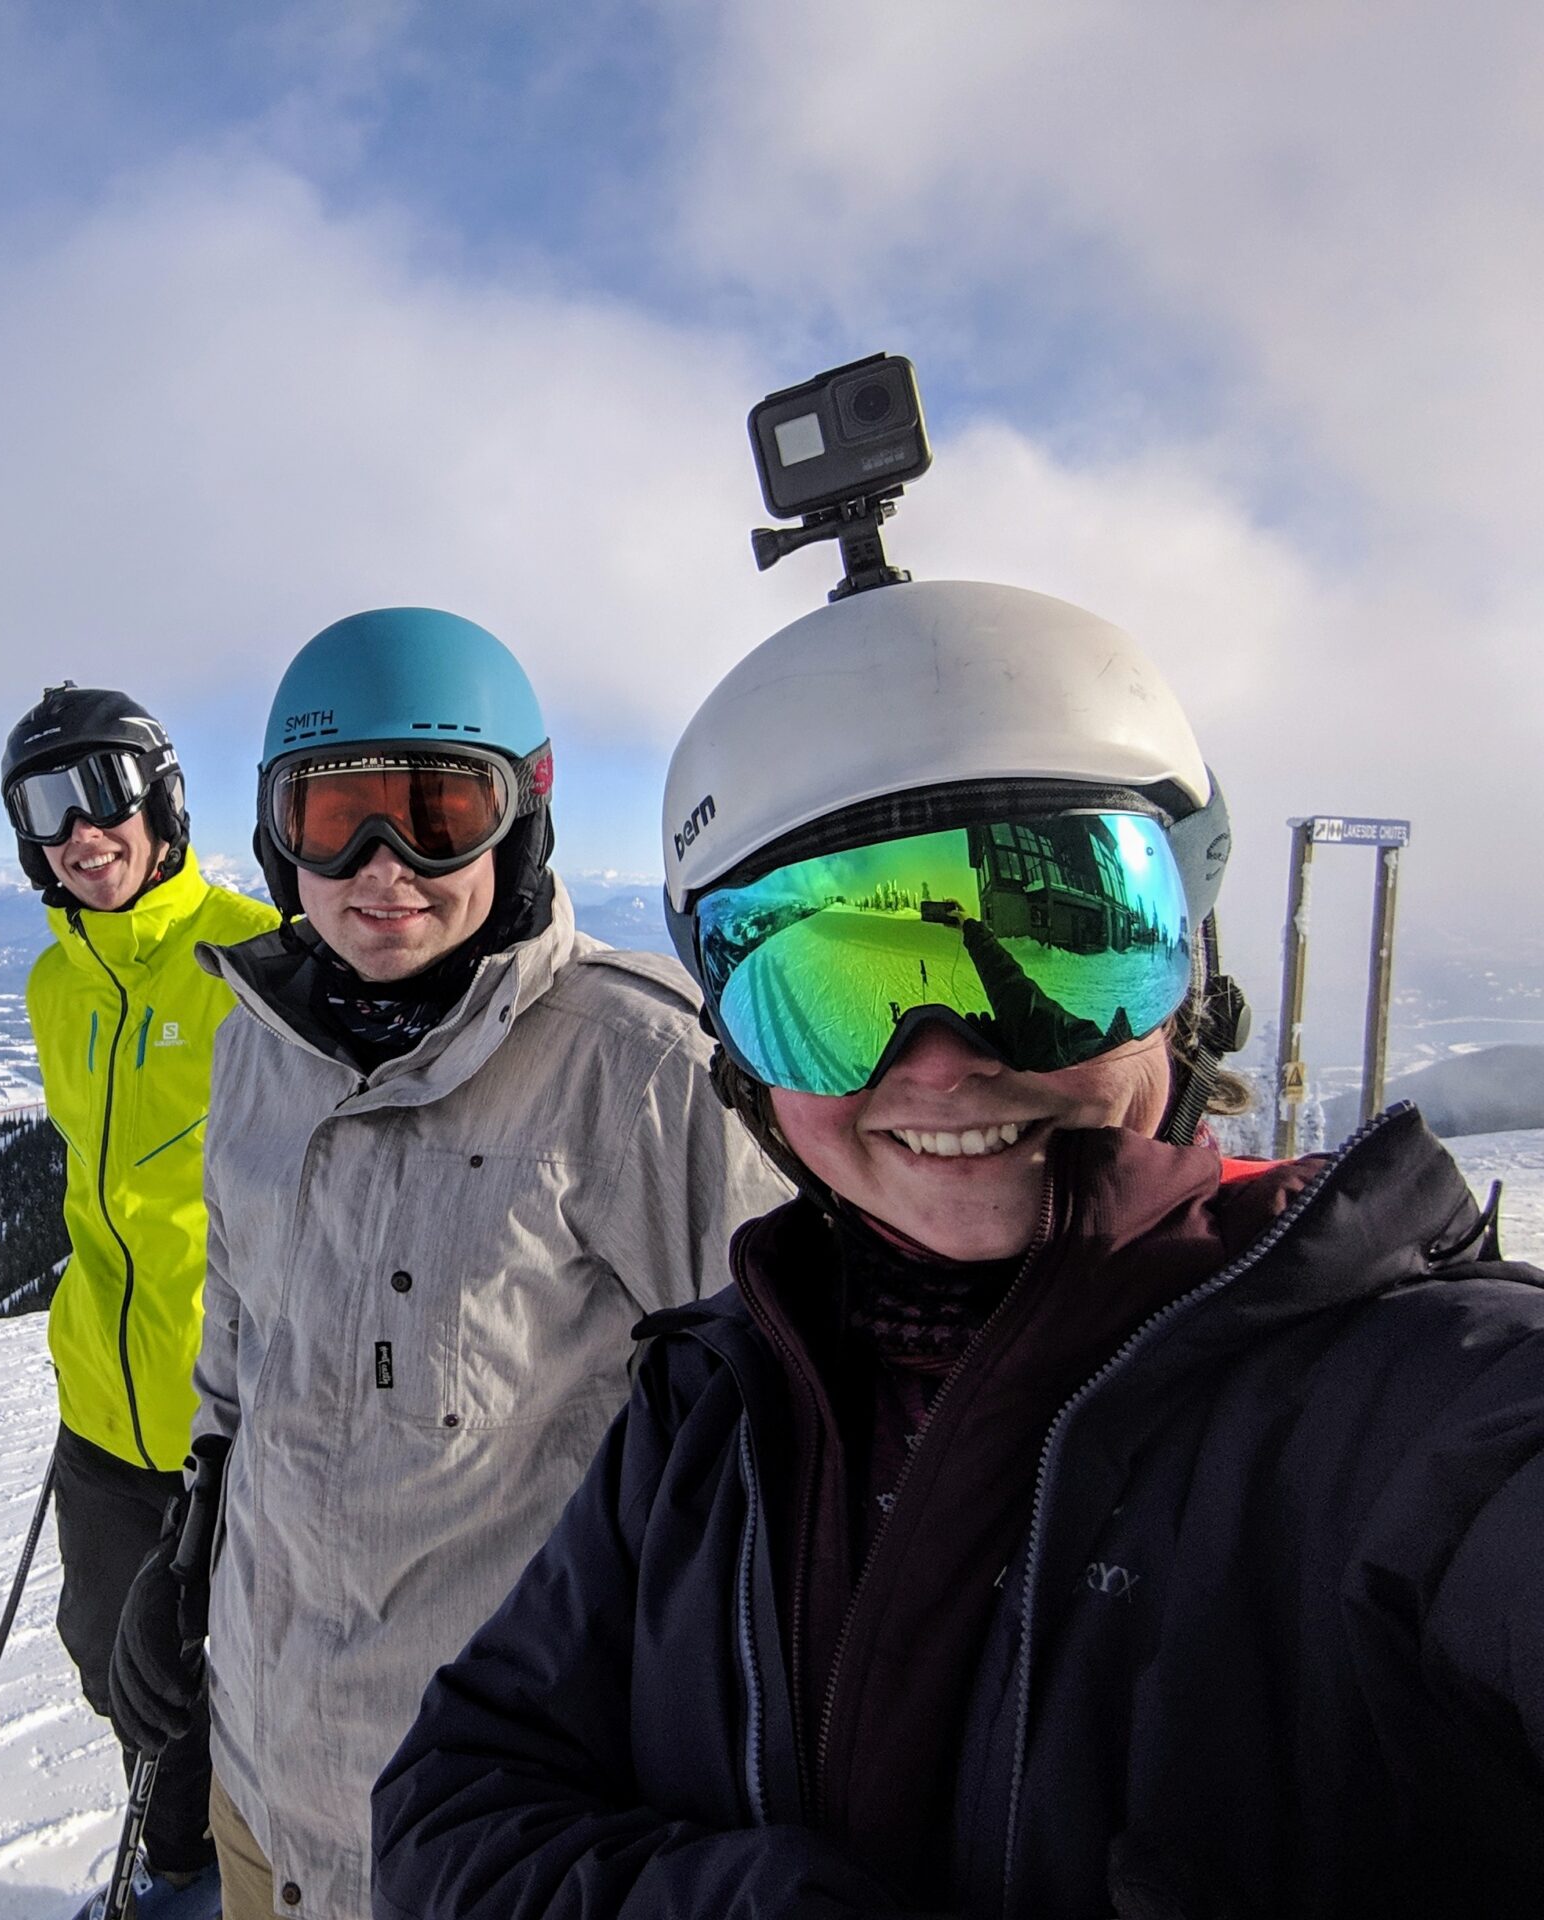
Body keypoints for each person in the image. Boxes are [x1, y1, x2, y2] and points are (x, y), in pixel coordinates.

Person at [371, 579, 1544, 1917]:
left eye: (1052, 951)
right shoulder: (718, 1403)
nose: (940, 1065)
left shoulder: (1416, 1414)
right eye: (830, 987)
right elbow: (449, 1809)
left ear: (1183, 992)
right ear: (744, 1068)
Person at [106, 609, 787, 1920]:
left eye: (439, 813)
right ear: (274, 831)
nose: (383, 867)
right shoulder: (260, 1042)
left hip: (488, 1838)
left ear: (521, 818)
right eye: (335, 818)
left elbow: (795, 1427)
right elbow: (240, 1320)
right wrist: (192, 1523)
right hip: (268, 1784)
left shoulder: (639, 1073)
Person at [3, 682, 279, 1917]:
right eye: (46, 804)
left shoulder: (261, 953)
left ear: (160, 796)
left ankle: (255, 1882)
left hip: (236, 1420)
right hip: (103, 1418)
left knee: (254, 1692)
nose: (81, 829)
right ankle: (176, 1871)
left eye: (103, 788)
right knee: (120, 1670)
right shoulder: (54, 988)